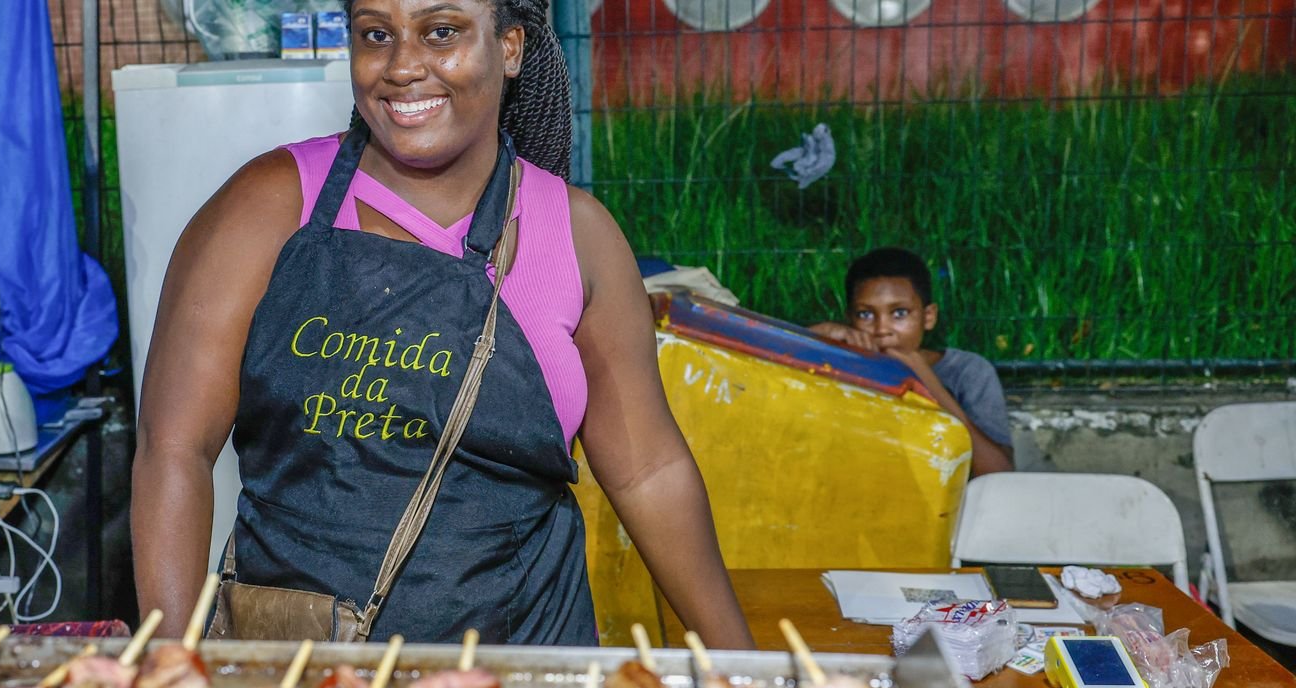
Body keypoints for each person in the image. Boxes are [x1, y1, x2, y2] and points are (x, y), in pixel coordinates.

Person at [130, 0, 754, 648]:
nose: (402, 66)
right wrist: (170, 667)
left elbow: (646, 470)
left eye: (441, 32)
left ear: (509, 47)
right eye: (376, 34)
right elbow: (173, 447)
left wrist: (746, 668)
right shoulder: (265, 207)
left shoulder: (577, 237)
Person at [811, 248, 1015, 477]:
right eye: (865, 315)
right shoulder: (838, 364)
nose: (881, 330)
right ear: (849, 318)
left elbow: (1000, 473)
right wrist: (814, 339)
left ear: (928, 317)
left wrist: (926, 381)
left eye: (899, 313)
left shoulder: (966, 371)